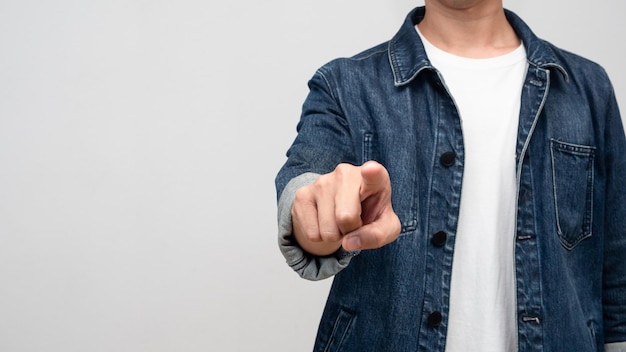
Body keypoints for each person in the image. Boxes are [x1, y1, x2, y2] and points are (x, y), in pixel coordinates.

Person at [275, 1, 626, 351]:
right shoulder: (345, 85)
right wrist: (321, 214)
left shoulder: (588, 89)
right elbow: (306, 190)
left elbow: (617, 267)